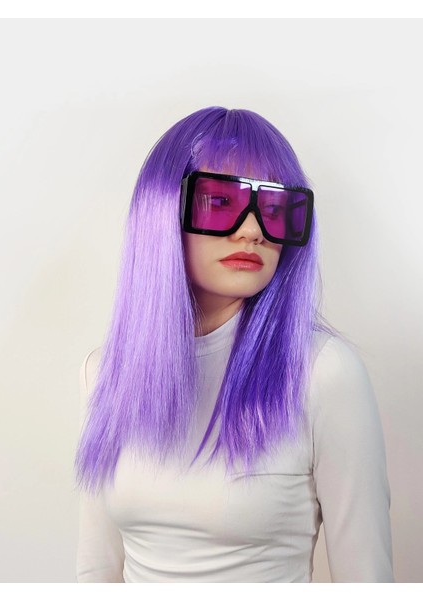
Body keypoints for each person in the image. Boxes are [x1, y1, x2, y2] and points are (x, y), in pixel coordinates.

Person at [74, 106, 394, 583]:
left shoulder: (323, 373)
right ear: (164, 211)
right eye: (221, 202)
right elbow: (95, 570)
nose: (252, 230)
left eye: (275, 209)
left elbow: (366, 580)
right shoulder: (103, 373)